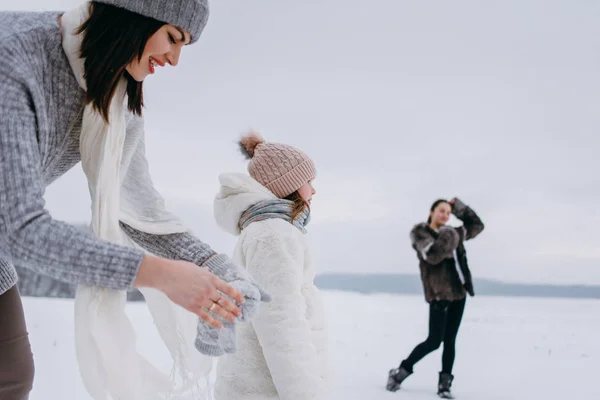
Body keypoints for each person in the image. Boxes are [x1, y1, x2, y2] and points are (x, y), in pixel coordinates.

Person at [0, 1, 268, 399]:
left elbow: (140, 212)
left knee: (11, 376)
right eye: (173, 37)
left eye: (186, 45)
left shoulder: (116, 98)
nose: (175, 59)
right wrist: (162, 275)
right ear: (131, 15)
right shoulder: (15, 58)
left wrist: (217, 269)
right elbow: (19, 229)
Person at [212, 132, 330, 399]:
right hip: (267, 389)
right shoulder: (274, 235)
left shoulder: (266, 230)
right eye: (309, 181)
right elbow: (281, 323)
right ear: (289, 184)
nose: (314, 190)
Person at [386, 198, 484, 399]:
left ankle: (444, 385)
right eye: (442, 211)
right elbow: (432, 254)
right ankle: (400, 372)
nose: (446, 216)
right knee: (434, 340)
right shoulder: (421, 233)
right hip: (439, 295)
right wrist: (449, 234)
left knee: (450, 341)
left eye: (449, 212)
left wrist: (459, 207)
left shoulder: (454, 233)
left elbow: (477, 225)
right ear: (431, 212)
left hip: (458, 294)